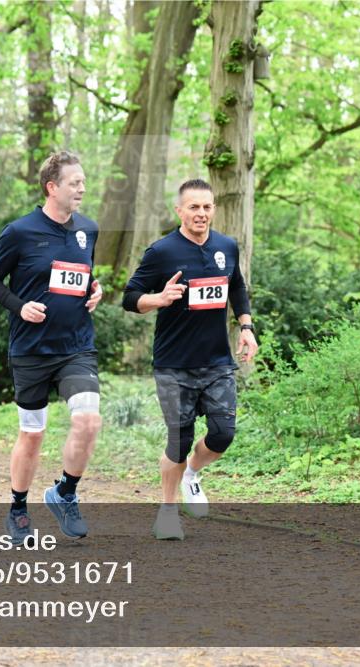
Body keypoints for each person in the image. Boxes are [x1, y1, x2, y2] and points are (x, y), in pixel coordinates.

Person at [122, 179, 258, 540]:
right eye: (194, 207)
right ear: (179, 210)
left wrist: (246, 326)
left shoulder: (226, 246)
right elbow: (130, 297)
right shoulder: (162, 251)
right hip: (174, 364)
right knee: (179, 441)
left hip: (217, 361)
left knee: (223, 433)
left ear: (214, 209)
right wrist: (159, 298)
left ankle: (192, 474)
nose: (201, 213)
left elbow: (237, 286)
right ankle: (167, 512)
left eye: (207, 207)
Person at [0, 150, 103, 544]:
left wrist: (95, 289)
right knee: (32, 434)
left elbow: (83, 275)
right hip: (31, 349)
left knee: (88, 420)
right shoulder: (19, 232)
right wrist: (20, 306)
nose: (82, 188)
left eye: (83, 182)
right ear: (52, 187)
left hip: (76, 346)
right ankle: (18, 508)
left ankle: (65, 492)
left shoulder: (88, 230)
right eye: (74, 183)